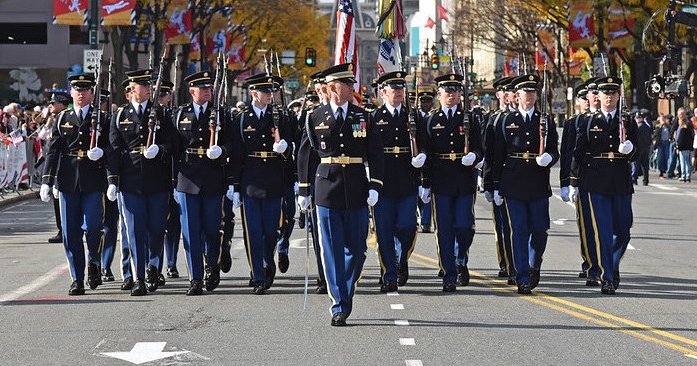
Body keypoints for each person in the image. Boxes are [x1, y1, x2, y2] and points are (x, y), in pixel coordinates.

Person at [297, 63, 384, 326]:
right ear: (333, 87)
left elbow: (376, 153)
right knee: (332, 249)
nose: (352, 88)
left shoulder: (363, 116)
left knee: (357, 250)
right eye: (347, 84)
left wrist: (375, 185)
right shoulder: (315, 116)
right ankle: (339, 304)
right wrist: (303, 190)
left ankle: (345, 290)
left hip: (356, 186)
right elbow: (306, 154)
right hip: (327, 188)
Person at [39, 73, 113, 295]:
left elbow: (113, 149)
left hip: (93, 179)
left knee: (93, 227)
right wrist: (46, 180)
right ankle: (77, 278)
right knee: (71, 232)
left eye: (85, 90)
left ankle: (94, 261)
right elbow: (53, 151)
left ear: (92, 93)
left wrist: (103, 155)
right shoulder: (63, 118)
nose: (81, 94)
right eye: (77, 90)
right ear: (71, 93)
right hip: (68, 180)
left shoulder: (103, 118)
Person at [108, 69, 176, 295]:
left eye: (149, 85)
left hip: (157, 181)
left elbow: (173, 144)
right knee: (135, 232)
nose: (148, 88)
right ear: (131, 89)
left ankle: (154, 266)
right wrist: (112, 181)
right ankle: (139, 278)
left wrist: (160, 150)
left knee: (156, 229)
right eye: (142, 85)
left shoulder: (162, 115)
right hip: (130, 182)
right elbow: (114, 150)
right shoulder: (120, 116)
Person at [491, 74, 559, 295]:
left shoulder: (545, 120)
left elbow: (554, 150)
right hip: (514, 182)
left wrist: (549, 157)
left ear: (536, 95)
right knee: (518, 230)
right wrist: (494, 185)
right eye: (525, 93)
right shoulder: (506, 121)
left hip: (538, 182)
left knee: (539, 230)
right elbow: (497, 155)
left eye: (532, 92)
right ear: (517, 95)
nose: (528, 96)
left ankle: (534, 264)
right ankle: (522, 276)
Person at [571, 76, 636, 295]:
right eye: (605, 94)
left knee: (623, 230)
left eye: (613, 93)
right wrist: (573, 182)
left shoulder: (626, 120)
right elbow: (578, 153)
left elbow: (638, 150)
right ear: (598, 96)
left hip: (620, 180)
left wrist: (631, 150)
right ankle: (607, 277)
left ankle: (613, 266)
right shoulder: (588, 121)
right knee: (604, 232)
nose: (609, 97)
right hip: (596, 181)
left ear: (618, 96)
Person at [418, 73, 483, 292]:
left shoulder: (470, 119)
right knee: (444, 229)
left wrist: (474, 156)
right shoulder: (431, 120)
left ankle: (460, 257)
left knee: (465, 226)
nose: (451, 95)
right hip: (441, 178)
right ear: (439, 94)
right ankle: (449, 273)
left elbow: (480, 148)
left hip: (464, 178)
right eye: (447, 91)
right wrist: (425, 182)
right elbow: (426, 151)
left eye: (455, 91)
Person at [173, 70, 235, 295]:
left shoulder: (221, 115)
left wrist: (222, 150)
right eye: (203, 88)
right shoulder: (181, 114)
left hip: (212, 177)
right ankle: (195, 278)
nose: (208, 91)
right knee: (190, 231)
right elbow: (174, 148)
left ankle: (212, 265)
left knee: (212, 229)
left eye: (210, 88)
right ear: (192, 91)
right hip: (187, 178)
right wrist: (173, 181)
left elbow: (232, 143)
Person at [230, 73, 292, 294]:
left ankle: (268, 259)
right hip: (251, 182)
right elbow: (236, 155)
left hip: (274, 179)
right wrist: (234, 186)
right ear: (253, 93)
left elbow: (291, 149)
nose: (270, 95)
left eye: (271, 91)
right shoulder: (241, 119)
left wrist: (285, 150)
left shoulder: (280, 118)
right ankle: (257, 275)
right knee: (253, 232)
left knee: (272, 230)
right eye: (265, 92)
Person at [369, 71, 421, 292]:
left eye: (401, 88)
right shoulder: (373, 117)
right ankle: (389, 274)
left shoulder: (413, 116)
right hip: (383, 182)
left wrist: (422, 157)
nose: (399, 92)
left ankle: (402, 259)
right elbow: (367, 151)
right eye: (394, 89)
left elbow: (424, 143)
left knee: (407, 227)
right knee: (384, 231)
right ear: (383, 92)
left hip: (407, 180)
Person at [560, 82, 595, 283]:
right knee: (585, 224)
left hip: (597, 177)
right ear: (578, 102)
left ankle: (597, 263)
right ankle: (588, 262)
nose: (587, 101)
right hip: (579, 177)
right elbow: (567, 153)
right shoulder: (572, 123)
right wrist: (566, 182)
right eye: (583, 98)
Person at [483, 76, 515, 283]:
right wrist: (488, 182)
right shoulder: (493, 118)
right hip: (500, 178)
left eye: (510, 91)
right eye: (504, 91)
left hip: (520, 180)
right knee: (502, 225)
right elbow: (489, 153)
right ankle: (505, 261)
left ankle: (518, 264)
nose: (507, 94)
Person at [43, 92, 70, 244]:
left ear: (61, 104)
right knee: (57, 201)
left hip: (63, 166)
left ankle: (64, 229)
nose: (50, 106)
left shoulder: (65, 118)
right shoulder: (55, 119)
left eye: (53, 103)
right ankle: (62, 229)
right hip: (56, 166)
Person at [633, 112, 653, 186]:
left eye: (637, 118)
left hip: (639, 148)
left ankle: (634, 179)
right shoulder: (647, 127)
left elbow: (636, 139)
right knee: (645, 166)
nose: (636, 119)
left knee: (636, 165)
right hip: (646, 148)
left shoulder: (638, 128)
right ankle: (646, 180)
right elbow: (650, 138)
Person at [675, 111, 694, 183]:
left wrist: (678, 147)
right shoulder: (688, 129)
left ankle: (683, 176)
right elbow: (691, 138)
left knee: (683, 162)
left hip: (682, 148)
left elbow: (680, 140)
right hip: (688, 147)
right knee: (688, 162)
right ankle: (688, 176)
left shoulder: (682, 129)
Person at [653, 114, 672, 178]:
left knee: (667, 157)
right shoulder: (658, 126)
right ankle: (661, 171)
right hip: (660, 143)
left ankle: (666, 170)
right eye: (662, 119)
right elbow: (655, 133)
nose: (663, 120)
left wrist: (665, 124)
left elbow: (671, 130)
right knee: (660, 157)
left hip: (667, 142)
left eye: (664, 119)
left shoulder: (668, 126)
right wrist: (660, 124)